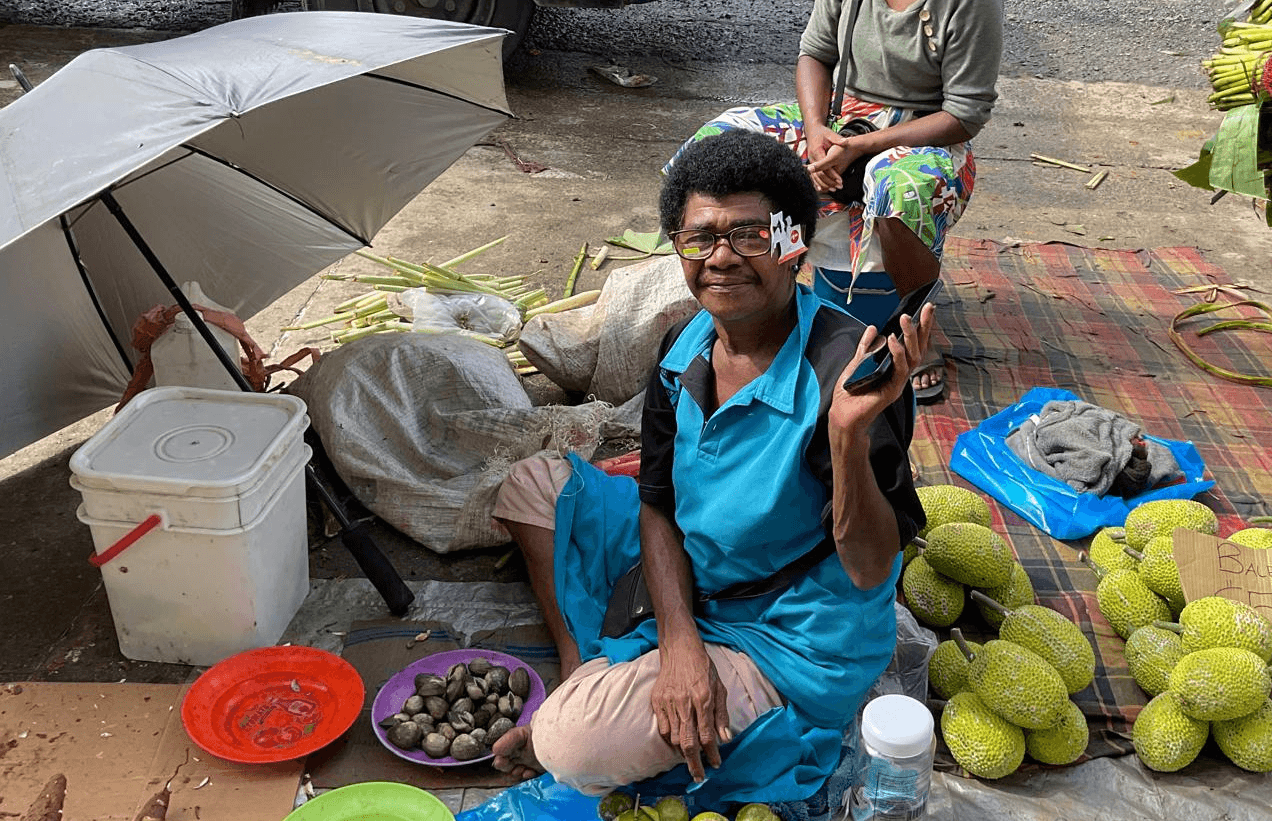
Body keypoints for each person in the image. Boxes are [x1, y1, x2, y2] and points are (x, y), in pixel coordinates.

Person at [488, 129, 930, 808]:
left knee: (570, 744)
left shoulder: (846, 368)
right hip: (703, 576)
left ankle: (634, 705)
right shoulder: (683, 344)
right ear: (678, 245)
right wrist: (680, 643)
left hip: (793, 631)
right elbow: (657, 504)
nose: (721, 259)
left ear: (793, 244)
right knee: (532, 484)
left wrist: (846, 437)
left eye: (750, 236)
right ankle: (587, 665)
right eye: (701, 238)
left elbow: (872, 569)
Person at [664, 0, 1002, 405]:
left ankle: (914, 328)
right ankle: (766, 302)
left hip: (922, 131)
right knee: (712, 144)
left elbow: (964, 114)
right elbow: (815, 54)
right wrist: (816, 130)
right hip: (839, 115)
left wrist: (860, 146)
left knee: (902, 190)